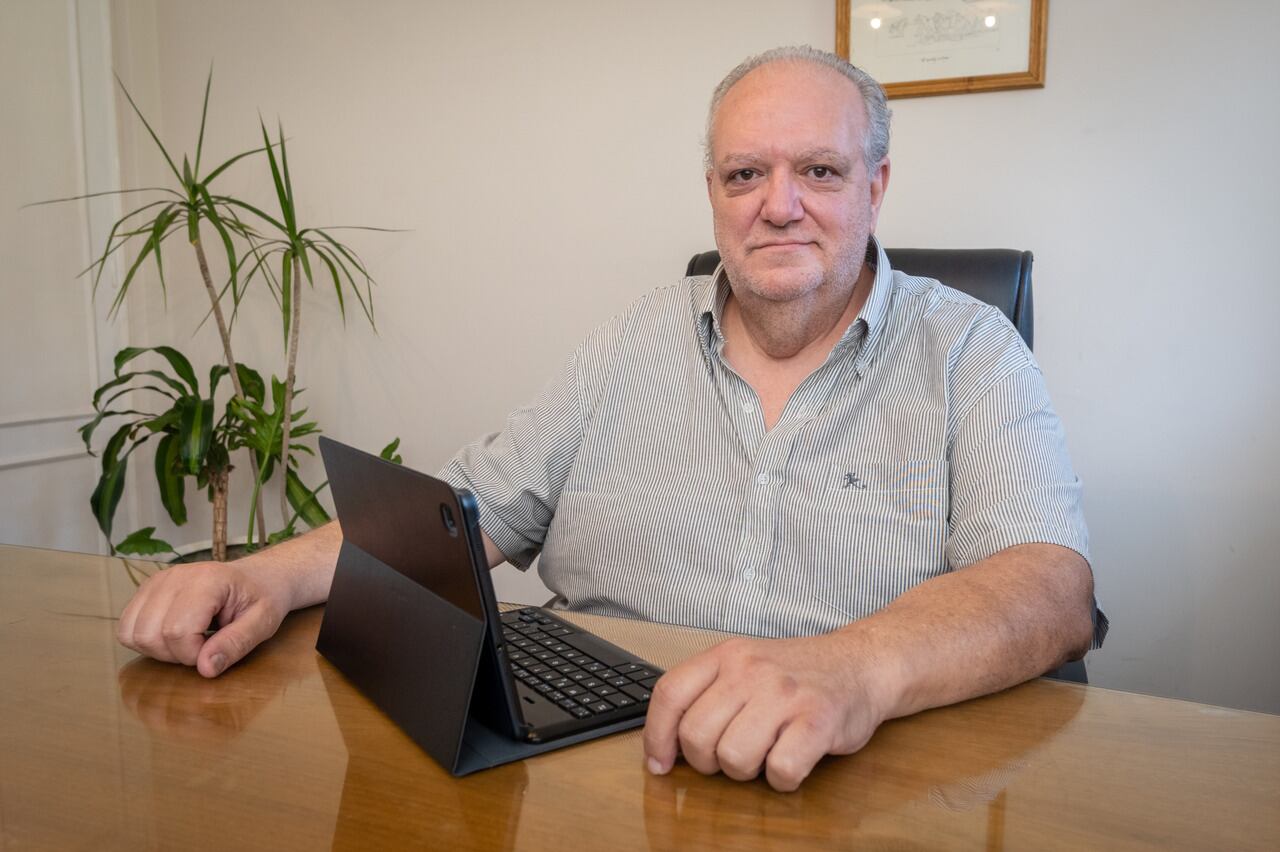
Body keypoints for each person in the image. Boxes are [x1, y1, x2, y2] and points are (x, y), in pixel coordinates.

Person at [117, 46, 1101, 792]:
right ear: (713, 195)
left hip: (850, 779)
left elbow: (1049, 588)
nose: (778, 206)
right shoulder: (630, 341)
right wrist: (259, 573)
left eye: (820, 172)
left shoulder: (965, 348)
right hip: (591, 770)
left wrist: (852, 669)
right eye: (743, 175)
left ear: (874, 187)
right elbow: (467, 511)